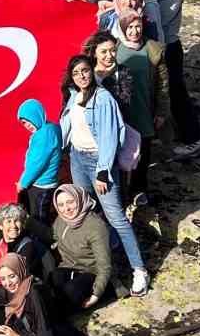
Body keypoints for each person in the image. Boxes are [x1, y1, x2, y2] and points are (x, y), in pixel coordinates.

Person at [59, 53, 148, 295]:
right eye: (76, 73)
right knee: (87, 210)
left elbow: (109, 138)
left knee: (116, 217)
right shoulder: (73, 95)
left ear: (92, 71)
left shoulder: (103, 98)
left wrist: (103, 172)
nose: (81, 76)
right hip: (78, 158)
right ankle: (102, 261)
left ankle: (139, 270)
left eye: (85, 71)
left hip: (99, 163)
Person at [147, 0, 200, 158]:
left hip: (168, 47)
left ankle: (194, 137)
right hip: (156, 46)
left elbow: (155, 18)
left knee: (174, 93)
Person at [116, 8, 169, 208]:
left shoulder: (153, 49)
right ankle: (121, 191)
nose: (134, 31)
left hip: (145, 108)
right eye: (130, 27)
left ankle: (139, 189)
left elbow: (163, 85)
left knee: (143, 152)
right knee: (121, 152)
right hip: (123, 110)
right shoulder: (116, 48)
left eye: (137, 26)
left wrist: (162, 111)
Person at [49, 183, 112, 315]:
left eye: (70, 202)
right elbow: (53, 236)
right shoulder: (61, 220)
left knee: (71, 290)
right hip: (70, 267)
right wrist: (27, 221)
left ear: (79, 199)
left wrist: (96, 295)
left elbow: (104, 266)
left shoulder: (95, 226)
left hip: (92, 272)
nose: (66, 209)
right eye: (61, 205)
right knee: (54, 278)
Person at [0, 201, 53, 286]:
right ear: (0, 225)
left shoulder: (27, 245)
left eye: (17, 221)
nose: (13, 225)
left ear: (22, 224)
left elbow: (14, 278)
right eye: (9, 221)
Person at [15, 99, 63, 223]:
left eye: (28, 121)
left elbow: (37, 163)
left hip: (41, 185)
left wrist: (23, 183)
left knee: (39, 218)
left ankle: (42, 241)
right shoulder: (50, 129)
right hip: (45, 182)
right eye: (24, 124)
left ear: (35, 115)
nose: (28, 126)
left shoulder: (44, 135)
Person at [97, 0, 165, 44]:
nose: (128, 3)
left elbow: (153, 48)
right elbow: (101, 44)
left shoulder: (147, 23)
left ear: (138, 1)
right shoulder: (107, 18)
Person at [88, 31, 133, 113]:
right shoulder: (88, 73)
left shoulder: (123, 72)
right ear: (94, 53)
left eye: (113, 50)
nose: (109, 56)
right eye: (103, 52)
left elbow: (124, 104)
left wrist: (107, 79)